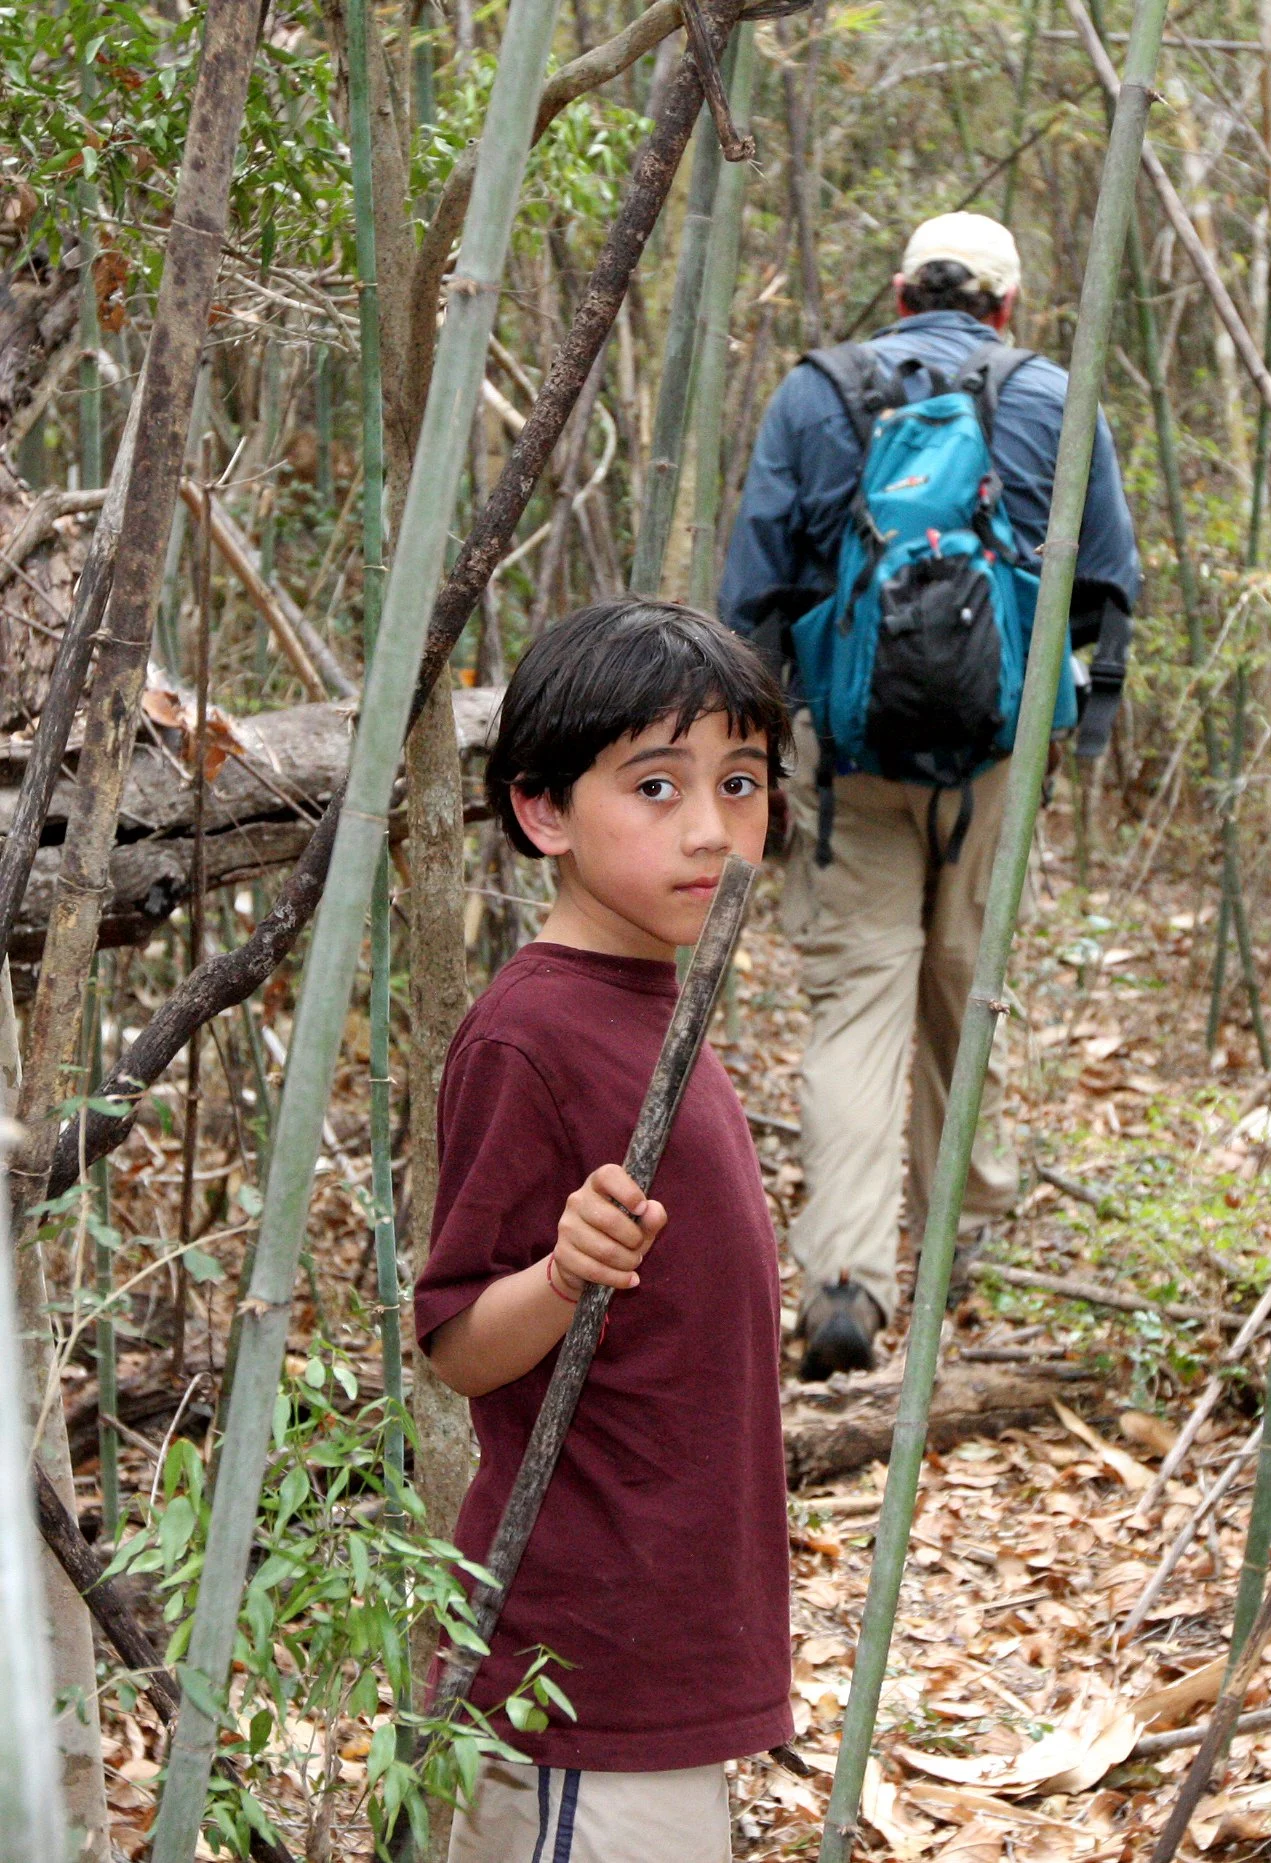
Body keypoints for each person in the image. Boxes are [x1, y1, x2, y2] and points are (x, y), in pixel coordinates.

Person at [719, 211, 1141, 1380]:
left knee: (857, 1001)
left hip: (848, 755)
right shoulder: (1053, 395)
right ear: (1007, 308)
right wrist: (1083, 724)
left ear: (900, 296)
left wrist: (749, 752)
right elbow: (1108, 579)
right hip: (994, 752)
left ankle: (846, 1276)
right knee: (962, 978)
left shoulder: (814, 395)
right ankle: (963, 1221)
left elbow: (752, 589)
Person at [414, 600, 794, 1863]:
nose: (710, 828)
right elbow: (458, 1340)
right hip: (579, 1669)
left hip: (664, 1641)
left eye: (740, 783)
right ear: (542, 812)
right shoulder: (531, 1035)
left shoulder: (657, 1003)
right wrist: (565, 1272)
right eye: (654, 785)